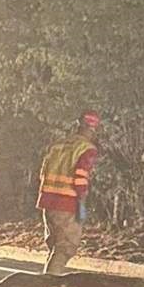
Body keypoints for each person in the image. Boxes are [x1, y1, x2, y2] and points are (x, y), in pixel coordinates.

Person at [37, 111, 100, 274]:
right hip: (67, 204)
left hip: (48, 202)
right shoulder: (86, 149)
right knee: (65, 247)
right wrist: (82, 203)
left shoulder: (58, 145)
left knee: (55, 246)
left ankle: (47, 281)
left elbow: (43, 172)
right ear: (93, 129)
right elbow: (80, 178)